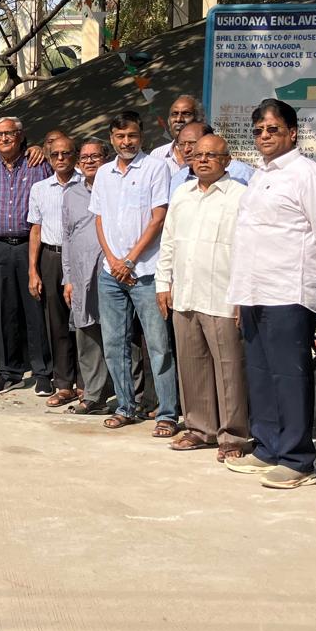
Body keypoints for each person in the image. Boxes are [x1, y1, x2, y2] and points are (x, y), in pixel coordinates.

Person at [225, 99, 316, 489]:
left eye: (272, 129)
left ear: (292, 132)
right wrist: (239, 294)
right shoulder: (260, 175)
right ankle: (268, 447)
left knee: (289, 376)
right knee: (260, 374)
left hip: (290, 292)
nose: (264, 136)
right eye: (258, 130)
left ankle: (297, 459)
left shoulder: (310, 176)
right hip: (255, 291)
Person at [156, 133, 251, 460]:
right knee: (192, 365)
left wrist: (243, 294)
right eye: (198, 155)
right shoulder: (182, 194)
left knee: (229, 370)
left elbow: (247, 250)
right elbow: (169, 242)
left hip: (223, 296)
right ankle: (200, 429)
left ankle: (233, 436)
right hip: (185, 293)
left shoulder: (240, 196)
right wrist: (163, 283)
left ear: (227, 161)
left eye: (212, 155)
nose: (204, 160)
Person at [89, 110, 178, 434]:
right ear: (111, 139)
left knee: (158, 346)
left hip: (146, 273)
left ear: (142, 137)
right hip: (111, 273)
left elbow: (158, 218)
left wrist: (129, 260)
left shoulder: (155, 168)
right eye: (120, 136)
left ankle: (167, 413)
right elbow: (99, 219)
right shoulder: (104, 173)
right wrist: (114, 260)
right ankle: (125, 407)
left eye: (132, 136)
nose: (126, 141)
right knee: (115, 344)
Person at [0, 117, 53, 393]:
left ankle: (43, 371)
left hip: (31, 244)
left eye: (9, 134)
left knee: (35, 308)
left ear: (20, 136)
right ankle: (10, 371)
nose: (4, 139)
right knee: (4, 310)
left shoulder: (37, 164)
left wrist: (42, 148)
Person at [27, 132, 84, 406]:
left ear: (75, 155)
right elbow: (35, 230)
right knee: (57, 322)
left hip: (81, 260)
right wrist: (33, 270)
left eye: (66, 153)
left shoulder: (87, 184)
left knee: (84, 322)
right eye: (55, 155)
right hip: (51, 257)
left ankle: (86, 383)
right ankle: (63, 383)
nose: (60, 159)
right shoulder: (39, 189)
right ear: (49, 159)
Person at [62, 138, 115, 415]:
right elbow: (67, 237)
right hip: (81, 275)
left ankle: (132, 396)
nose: (89, 161)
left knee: (119, 335)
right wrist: (68, 278)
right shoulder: (71, 194)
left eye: (95, 156)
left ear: (107, 159)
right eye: (84, 157)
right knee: (87, 335)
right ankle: (94, 395)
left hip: (112, 274)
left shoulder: (116, 188)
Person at [166, 122, 255, 190]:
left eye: (192, 143)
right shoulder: (178, 179)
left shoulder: (240, 172)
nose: (186, 149)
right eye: (181, 144)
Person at [150, 95, 203, 162]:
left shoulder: (207, 153)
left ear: (198, 119)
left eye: (186, 114)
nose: (178, 119)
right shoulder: (157, 155)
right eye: (174, 114)